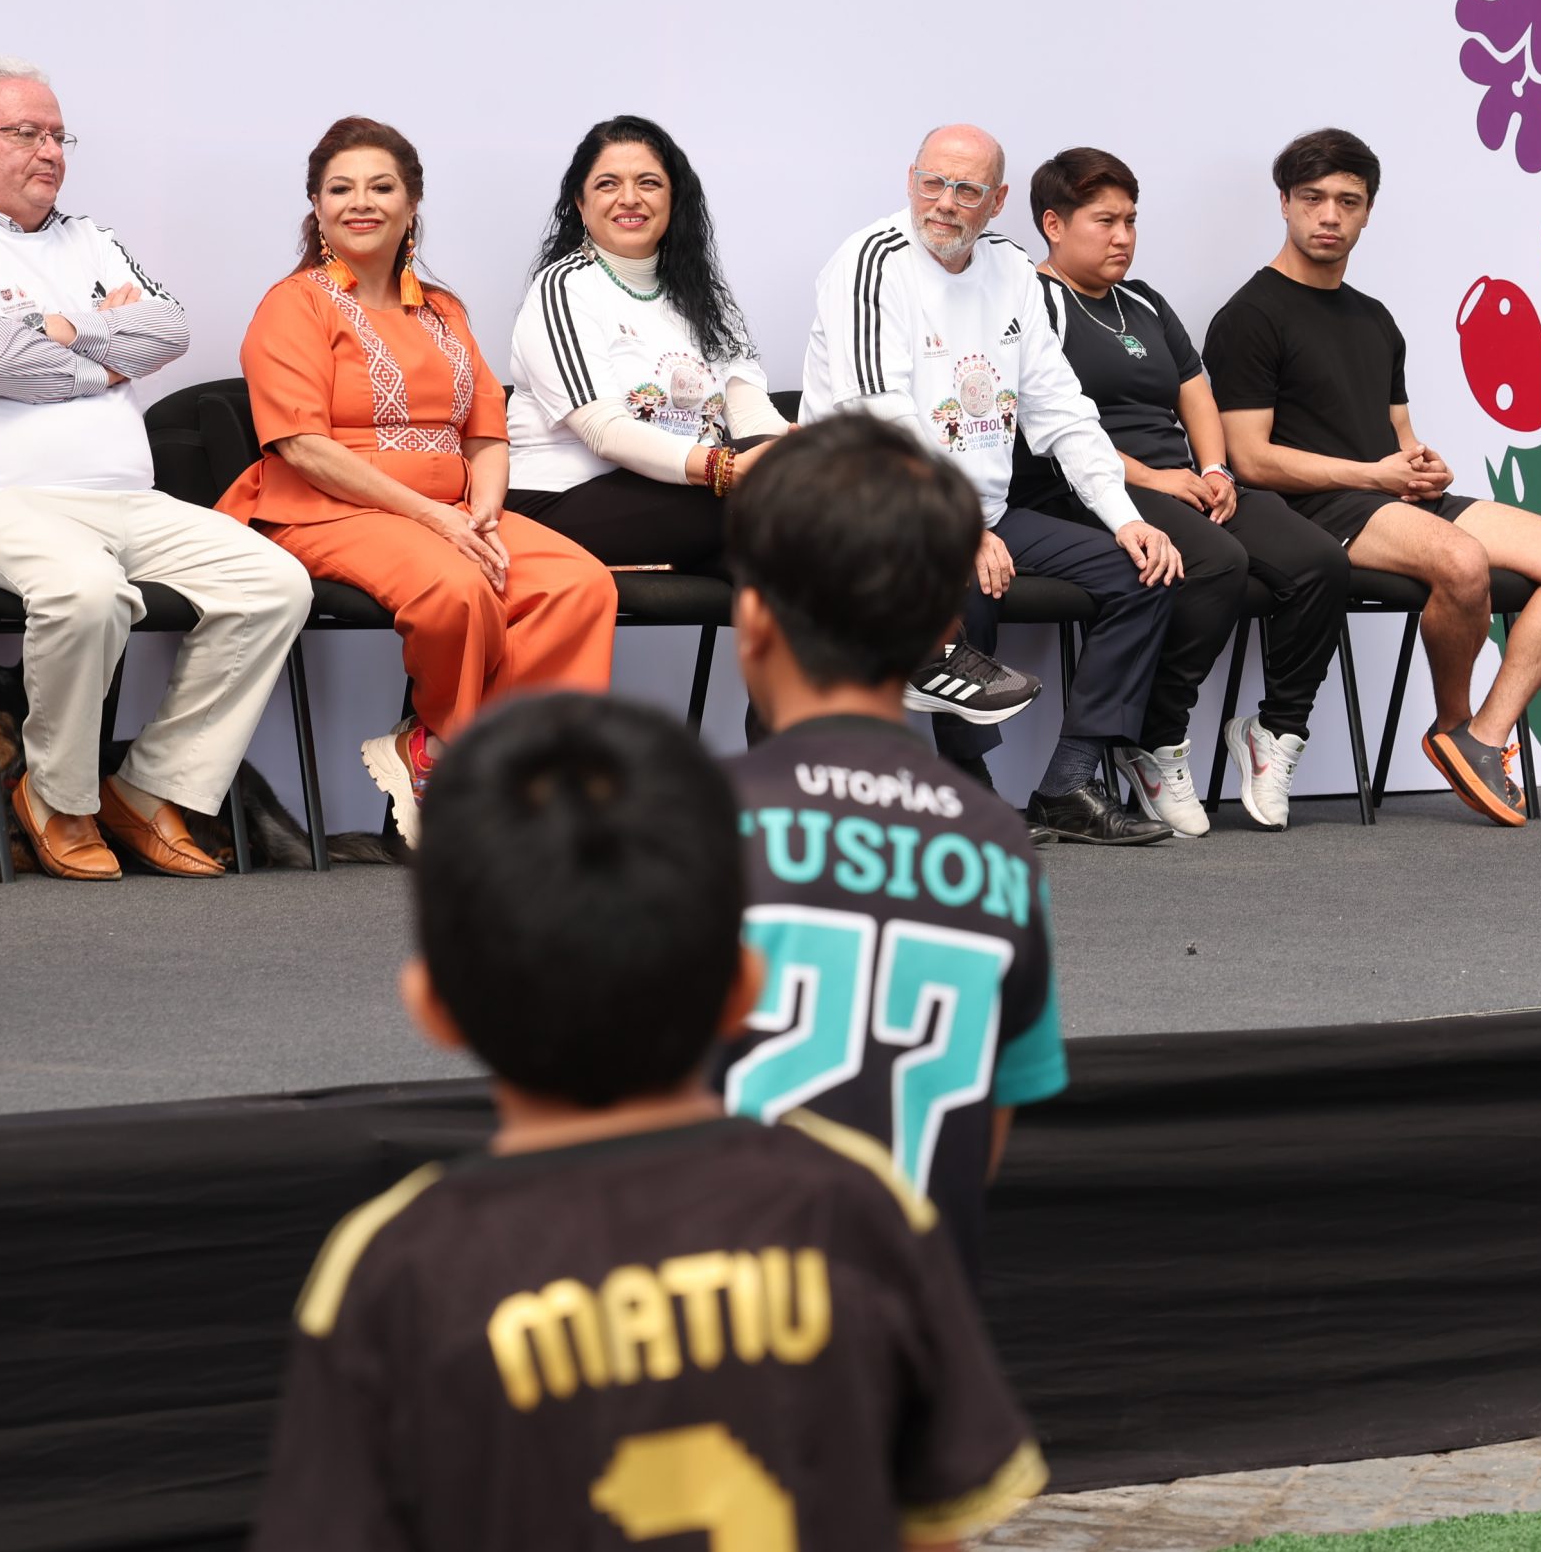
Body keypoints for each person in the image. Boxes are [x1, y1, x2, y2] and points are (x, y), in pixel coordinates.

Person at [249, 692, 1046, 1549]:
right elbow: (935, 1526)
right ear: (746, 988)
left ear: (434, 1008)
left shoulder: (394, 1268)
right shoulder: (859, 1206)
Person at [0, 54, 311, 881]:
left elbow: (169, 332)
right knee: (87, 593)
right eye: (26, 132)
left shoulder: (92, 238)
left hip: (122, 503)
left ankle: (146, 791)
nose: (51, 151)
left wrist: (57, 334)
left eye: (58, 134)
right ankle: (59, 799)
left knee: (275, 584)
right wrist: (104, 356)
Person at [721, 416, 1069, 1281]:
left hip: (729, 1325)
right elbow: (989, 1119)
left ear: (754, 621)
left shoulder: (691, 823)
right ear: (932, 636)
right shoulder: (998, 846)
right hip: (919, 1320)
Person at [219, 117, 617, 844]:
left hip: (452, 507)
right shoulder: (294, 303)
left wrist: (484, 515)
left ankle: (487, 763)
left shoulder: (444, 309)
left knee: (578, 584)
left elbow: (488, 433)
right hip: (323, 508)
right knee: (457, 588)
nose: (359, 202)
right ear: (316, 205)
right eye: (340, 188)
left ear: (412, 204)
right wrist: (438, 520)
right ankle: (453, 751)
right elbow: (302, 445)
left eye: (381, 187)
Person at [1207, 128, 1541, 828]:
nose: (1328, 215)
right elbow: (1250, 459)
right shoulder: (1250, 316)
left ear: (1367, 211)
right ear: (1284, 204)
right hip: (1312, 509)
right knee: (1461, 558)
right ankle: (1453, 723)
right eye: (1313, 199)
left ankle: (1482, 736)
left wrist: (1423, 464)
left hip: (1389, 496)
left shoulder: (1376, 319)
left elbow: (1399, 435)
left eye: (1347, 201)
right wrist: (1374, 473)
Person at [801, 123, 1181, 845]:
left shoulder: (1011, 271)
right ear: (910, 177)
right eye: (931, 182)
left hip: (985, 508)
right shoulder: (867, 262)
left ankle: (1068, 784)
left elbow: (1060, 406)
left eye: (966, 189)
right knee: (966, 576)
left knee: (1144, 574)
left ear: (998, 199)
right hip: (876, 505)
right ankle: (966, 792)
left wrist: (1123, 515)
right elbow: (879, 417)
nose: (943, 203)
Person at [1021, 147, 1349, 834]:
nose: (1123, 236)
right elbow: (1049, 426)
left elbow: (1195, 393)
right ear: (1053, 224)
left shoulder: (1143, 301)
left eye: (1131, 220)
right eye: (1104, 220)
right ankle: (1156, 738)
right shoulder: (1031, 302)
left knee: (1320, 561)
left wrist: (1215, 470)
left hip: (1185, 481)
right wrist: (1152, 478)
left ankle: (1275, 730)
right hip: (1092, 487)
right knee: (1216, 563)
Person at [503, 116, 787, 568]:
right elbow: (604, 432)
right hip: (563, 500)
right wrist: (725, 470)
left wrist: (799, 459)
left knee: (792, 539)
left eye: (649, 182)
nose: (629, 198)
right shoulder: (563, 288)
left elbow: (752, 416)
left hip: (688, 494)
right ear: (580, 202)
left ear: (674, 198)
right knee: (782, 517)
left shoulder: (702, 298)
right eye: (608, 184)